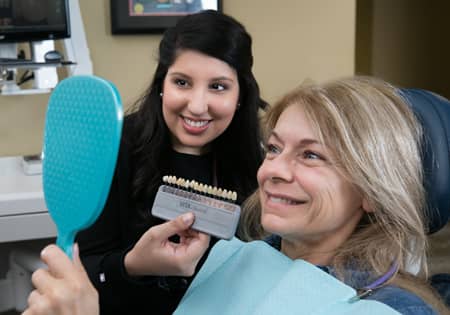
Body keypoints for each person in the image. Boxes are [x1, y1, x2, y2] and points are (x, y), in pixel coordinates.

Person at [22, 77, 450, 315]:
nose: (274, 171)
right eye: (275, 148)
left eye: (312, 155)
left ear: (372, 192)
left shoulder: (390, 311)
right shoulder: (243, 257)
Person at [74, 9, 266, 315]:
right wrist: (133, 266)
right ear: (162, 83)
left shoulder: (260, 159)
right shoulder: (111, 149)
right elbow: (82, 272)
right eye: (182, 83)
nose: (198, 106)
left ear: (240, 94)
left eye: (218, 86)